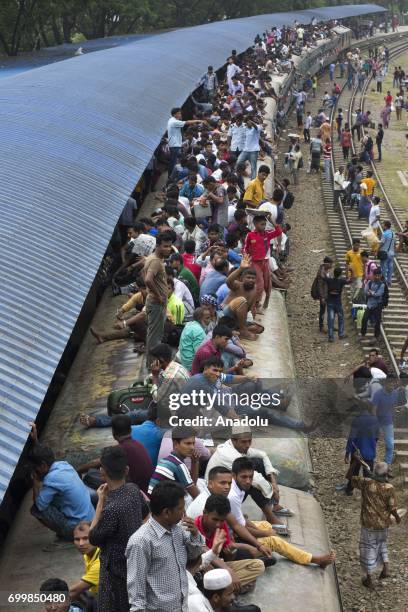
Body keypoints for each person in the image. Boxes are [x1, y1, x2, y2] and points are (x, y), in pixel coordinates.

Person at [227, 458, 336, 568]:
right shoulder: (232, 496)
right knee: (274, 541)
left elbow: (241, 520)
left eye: (250, 477)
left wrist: (262, 531)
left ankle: (268, 546)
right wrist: (265, 534)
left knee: (266, 525)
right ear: (234, 475)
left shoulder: (238, 487)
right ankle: (313, 559)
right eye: (244, 477)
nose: (248, 481)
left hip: (234, 529)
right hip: (232, 536)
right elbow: (239, 528)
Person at [126, 481, 204, 611]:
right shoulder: (141, 541)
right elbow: (136, 589)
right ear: (167, 512)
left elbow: (195, 554)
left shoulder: (178, 529)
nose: (184, 512)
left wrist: (195, 534)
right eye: (180, 509)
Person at [89, 446, 147, 612]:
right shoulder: (133, 490)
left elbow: (92, 537)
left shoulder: (111, 509)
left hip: (115, 572)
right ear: (126, 470)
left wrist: (100, 501)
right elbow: (145, 513)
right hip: (137, 563)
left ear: (102, 472)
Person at [195, 495, 265, 589]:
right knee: (207, 573)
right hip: (202, 568)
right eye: (215, 519)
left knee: (258, 565)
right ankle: (230, 589)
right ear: (205, 513)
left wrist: (230, 555)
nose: (218, 524)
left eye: (222, 520)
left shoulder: (222, 525)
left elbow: (228, 555)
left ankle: (226, 590)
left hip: (220, 565)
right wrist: (228, 570)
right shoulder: (195, 528)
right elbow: (203, 555)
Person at [29, 444, 94, 542]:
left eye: (35, 468)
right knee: (52, 498)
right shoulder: (63, 465)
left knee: (36, 509)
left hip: (79, 527)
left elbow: (40, 505)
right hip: (92, 519)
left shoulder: (51, 479)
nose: (35, 471)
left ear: (43, 465)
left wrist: (35, 483)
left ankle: (67, 535)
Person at [77, 415, 154, 495]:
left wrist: (77, 471)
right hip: (146, 488)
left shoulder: (122, 449)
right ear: (130, 430)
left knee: (89, 476)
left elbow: (96, 463)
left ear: (113, 433)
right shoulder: (138, 444)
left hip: (138, 492)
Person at [354, 462, 400, 588]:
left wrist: (355, 462)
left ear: (375, 472)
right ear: (386, 474)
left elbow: (351, 478)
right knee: (382, 544)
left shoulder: (366, 482)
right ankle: (386, 568)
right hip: (383, 524)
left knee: (368, 548)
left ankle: (369, 579)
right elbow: (392, 507)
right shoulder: (390, 488)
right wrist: (397, 517)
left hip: (368, 524)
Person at [143, 232, 173, 366]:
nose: (168, 249)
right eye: (165, 246)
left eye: (169, 246)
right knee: (155, 337)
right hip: (156, 304)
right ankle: (152, 365)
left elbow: (143, 273)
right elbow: (148, 279)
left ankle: (151, 362)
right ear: (158, 246)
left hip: (154, 302)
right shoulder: (155, 261)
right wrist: (159, 295)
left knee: (152, 333)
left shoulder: (151, 258)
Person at [148, 426, 201, 499]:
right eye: (188, 443)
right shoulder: (178, 465)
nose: (192, 447)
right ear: (175, 444)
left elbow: (192, 484)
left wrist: (195, 462)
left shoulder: (169, 459)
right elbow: (197, 496)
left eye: (193, 443)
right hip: (162, 507)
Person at [243, 214, 282, 309]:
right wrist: (246, 259)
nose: (264, 226)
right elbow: (245, 249)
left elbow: (278, 231)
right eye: (262, 224)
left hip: (265, 261)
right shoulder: (250, 235)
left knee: (268, 283)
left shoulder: (267, 234)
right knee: (260, 283)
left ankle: (267, 297)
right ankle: (255, 305)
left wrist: (271, 220)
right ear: (255, 224)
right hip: (255, 262)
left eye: (265, 224)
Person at [345, 401, 380, 495]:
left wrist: (347, 452)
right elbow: (377, 437)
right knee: (368, 474)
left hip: (357, 453)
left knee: (354, 472)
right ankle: (368, 493)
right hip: (369, 452)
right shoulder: (375, 420)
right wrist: (372, 445)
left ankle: (349, 490)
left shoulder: (357, 420)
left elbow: (352, 437)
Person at [69, 521, 100, 602]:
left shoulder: (101, 561)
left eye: (86, 538)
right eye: (77, 539)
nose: (81, 543)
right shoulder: (88, 553)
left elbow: (74, 591)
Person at [167, 108, 204, 174]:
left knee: (174, 160)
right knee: (174, 162)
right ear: (174, 114)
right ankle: (172, 175)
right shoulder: (174, 122)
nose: (180, 115)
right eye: (179, 113)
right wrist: (198, 120)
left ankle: (172, 174)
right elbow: (187, 122)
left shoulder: (172, 120)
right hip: (174, 145)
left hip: (174, 144)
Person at [326, 266, 350, 342]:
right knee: (341, 318)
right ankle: (341, 334)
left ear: (334, 273)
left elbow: (322, 277)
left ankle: (331, 336)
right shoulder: (341, 281)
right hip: (338, 303)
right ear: (340, 274)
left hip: (330, 303)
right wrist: (351, 272)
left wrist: (324, 268)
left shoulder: (329, 280)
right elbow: (350, 280)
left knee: (331, 319)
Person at [361, 267, 385, 341]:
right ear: (373, 275)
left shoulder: (382, 285)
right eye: (376, 275)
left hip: (377, 305)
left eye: (379, 275)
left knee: (377, 321)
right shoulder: (370, 282)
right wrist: (372, 293)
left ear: (380, 275)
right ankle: (363, 334)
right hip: (369, 304)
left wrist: (371, 293)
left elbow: (379, 294)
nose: (377, 277)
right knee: (364, 319)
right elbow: (365, 291)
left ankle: (376, 336)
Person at [378, 220, 395, 286]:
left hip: (385, 253)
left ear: (385, 226)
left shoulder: (384, 233)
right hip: (391, 253)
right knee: (390, 267)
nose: (382, 226)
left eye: (383, 225)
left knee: (383, 267)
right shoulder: (393, 234)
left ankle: (384, 280)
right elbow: (394, 243)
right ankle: (389, 281)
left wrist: (377, 250)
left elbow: (382, 243)